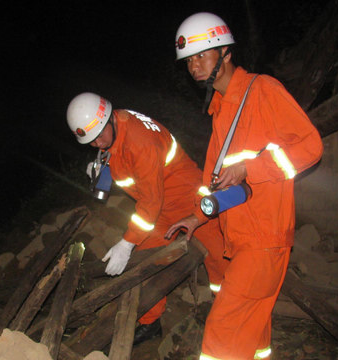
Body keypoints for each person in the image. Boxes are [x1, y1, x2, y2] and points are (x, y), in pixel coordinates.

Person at [164, 12, 324, 360]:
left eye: (203, 54)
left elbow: (310, 146)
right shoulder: (221, 108)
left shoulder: (263, 90)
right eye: (189, 59)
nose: (195, 65)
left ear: (225, 51)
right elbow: (215, 179)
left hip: (266, 237)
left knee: (224, 326)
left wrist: (253, 168)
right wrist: (196, 217)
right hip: (243, 236)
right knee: (255, 327)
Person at [66, 92, 229, 345]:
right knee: (146, 264)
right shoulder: (116, 130)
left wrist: (127, 242)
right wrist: (102, 168)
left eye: (99, 136)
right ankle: (150, 322)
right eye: (90, 141)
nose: (97, 143)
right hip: (161, 208)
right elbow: (131, 171)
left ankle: (229, 313)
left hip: (190, 200)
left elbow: (150, 201)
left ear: (109, 120)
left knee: (220, 260)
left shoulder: (140, 141)